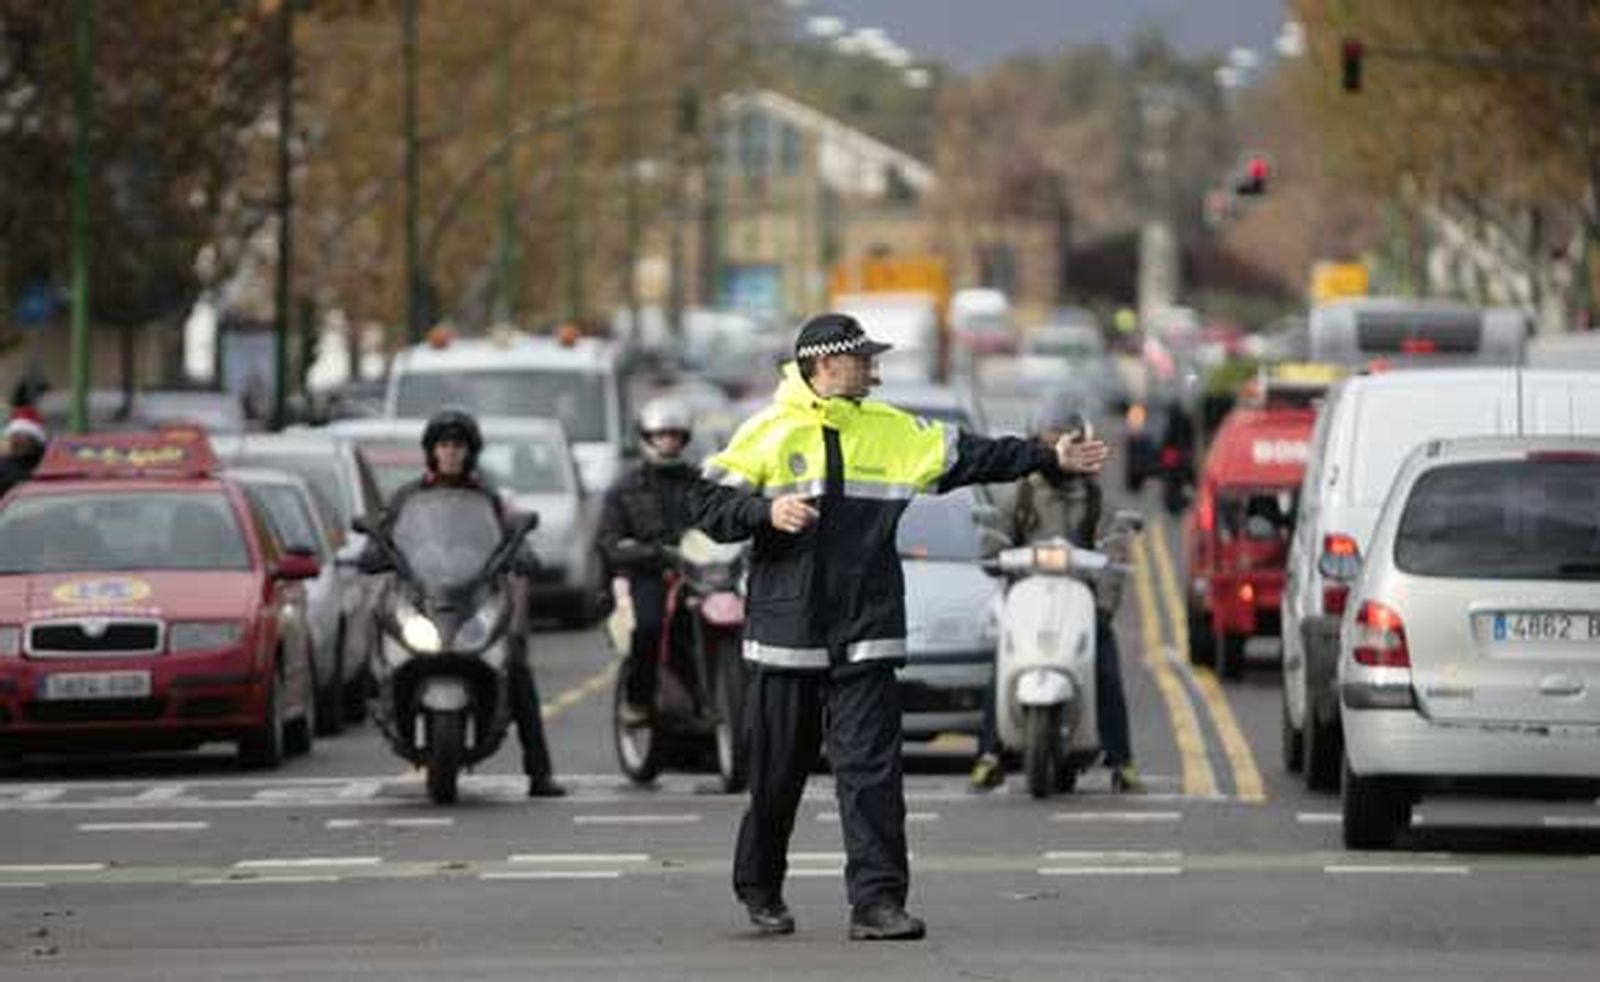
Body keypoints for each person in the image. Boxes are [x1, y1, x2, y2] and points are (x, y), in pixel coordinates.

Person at [691, 313, 1109, 941]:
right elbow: (707, 507)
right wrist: (765, 510)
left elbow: (973, 455)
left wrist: (1047, 455)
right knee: (777, 775)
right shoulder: (768, 431)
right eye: (861, 358)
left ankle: (877, 903)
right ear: (824, 364)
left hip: (868, 629)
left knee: (872, 774)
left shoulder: (891, 430)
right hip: (787, 635)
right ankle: (760, 888)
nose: (872, 366)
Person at [362, 409, 567, 798]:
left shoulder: (488, 498)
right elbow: (383, 537)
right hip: (421, 596)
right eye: (444, 445)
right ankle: (380, 699)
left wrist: (522, 553)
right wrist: (374, 551)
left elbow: (512, 537)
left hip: (474, 597)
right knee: (378, 632)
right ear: (431, 451)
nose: (451, 453)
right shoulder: (408, 497)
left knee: (517, 666)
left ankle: (539, 772)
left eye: (459, 446)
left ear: (470, 452)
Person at [969, 396, 1144, 794]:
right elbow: (994, 536)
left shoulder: (1096, 498)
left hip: (1080, 602)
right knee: (1004, 663)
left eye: (1069, 441)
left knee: (1105, 665)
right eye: (1050, 442)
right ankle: (989, 754)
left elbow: (1114, 546)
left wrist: (1103, 605)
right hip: (1027, 599)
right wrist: (995, 555)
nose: (1060, 450)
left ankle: (1123, 761)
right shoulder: (1020, 493)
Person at [597, 396, 701, 724]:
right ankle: (638, 700)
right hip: (650, 575)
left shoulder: (701, 482)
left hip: (701, 575)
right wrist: (652, 553)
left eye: (674, 435)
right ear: (647, 437)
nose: (668, 441)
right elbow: (609, 542)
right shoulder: (625, 487)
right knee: (649, 627)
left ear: (684, 439)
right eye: (661, 435)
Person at [0, 416, 48, 498]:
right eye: (13, 438)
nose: (15, 442)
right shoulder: (3, 466)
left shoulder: (46, 464)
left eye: (20, 438)